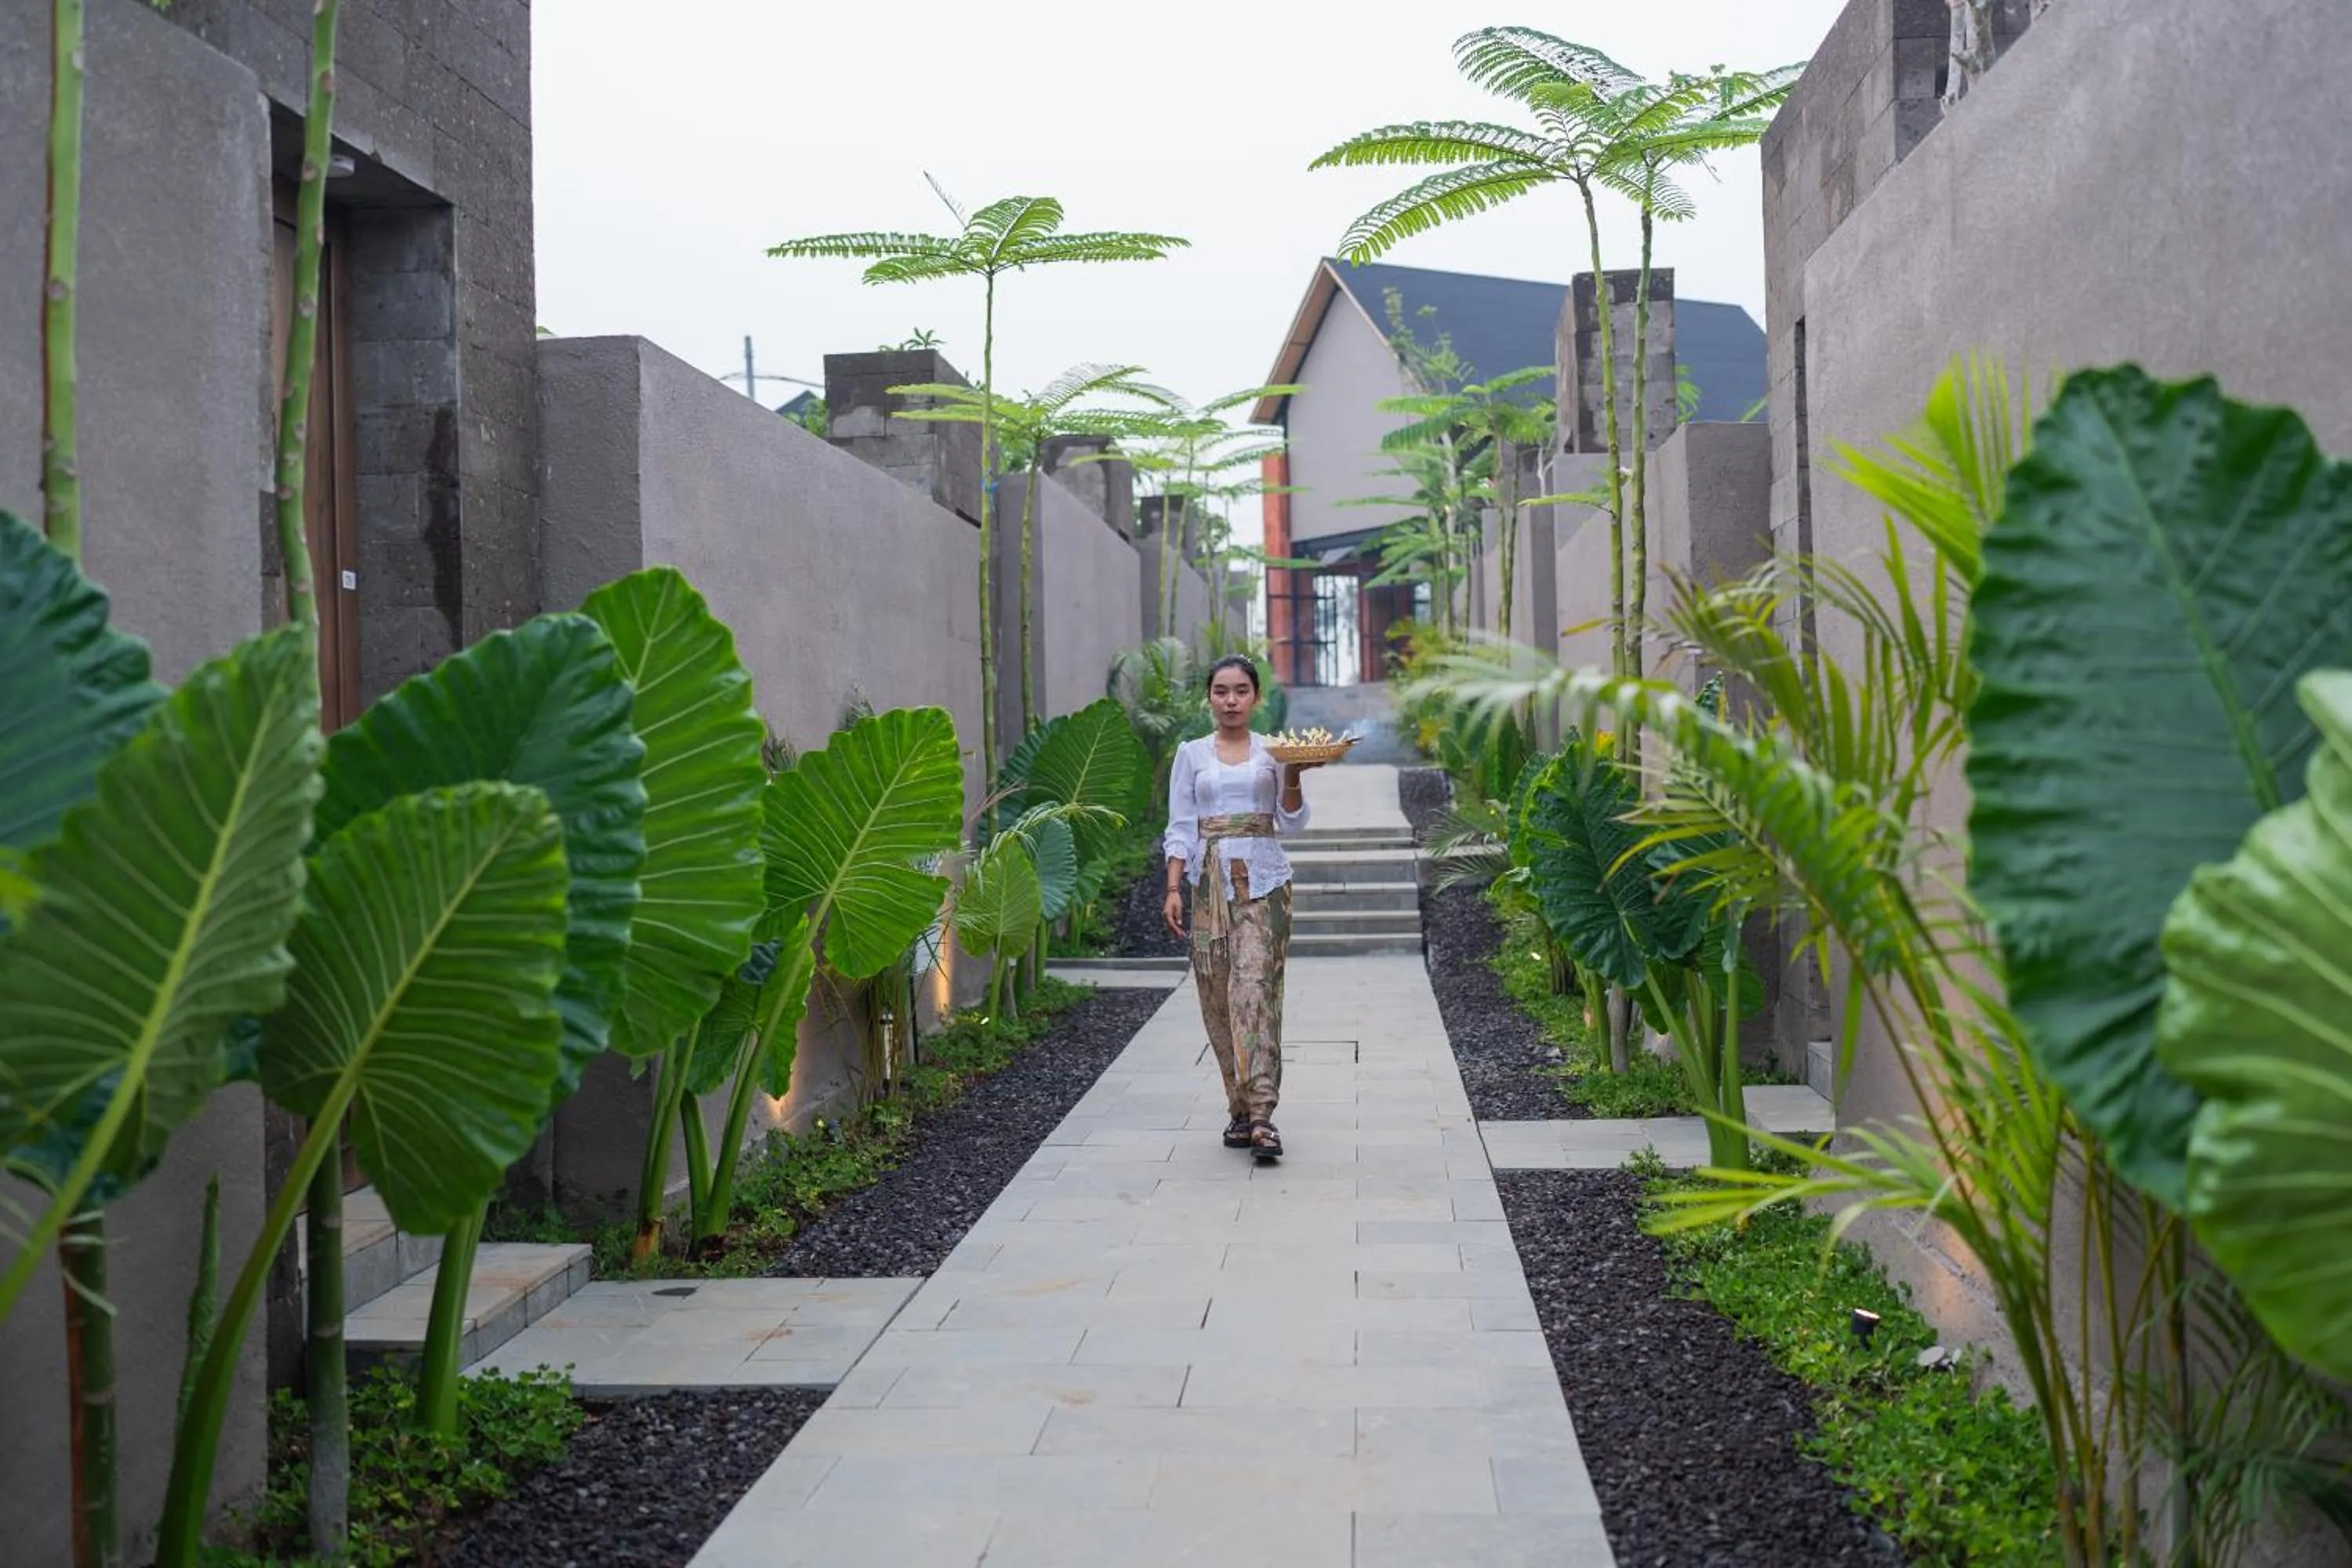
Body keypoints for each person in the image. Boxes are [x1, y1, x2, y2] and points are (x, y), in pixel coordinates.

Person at [1161, 655, 1327, 1161]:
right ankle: (1237, 1108)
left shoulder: (1273, 751)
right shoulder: (1191, 754)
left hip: (1264, 883)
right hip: (1207, 889)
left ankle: (1261, 1115)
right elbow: (1181, 826)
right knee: (1216, 998)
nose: (1230, 700)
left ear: (1256, 697)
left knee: (1254, 989)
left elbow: (1291, 822)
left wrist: (1292, 774)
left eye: (1240, 691)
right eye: (1221, 691)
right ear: (1209, 698)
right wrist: (1173, 888)